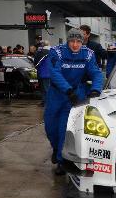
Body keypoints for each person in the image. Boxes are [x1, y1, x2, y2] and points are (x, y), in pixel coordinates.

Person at [44, 28, 103, 175]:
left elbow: (96, 73)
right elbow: (54, 73)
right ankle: (56, 149)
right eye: (72, 41)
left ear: (82, 42)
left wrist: (95, 89)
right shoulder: (56, 52)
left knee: (64, 129)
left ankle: (61, 161)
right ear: (67, 41)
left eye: (78, 41)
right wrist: (67, 90)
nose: (75, 45)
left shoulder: (88, 54)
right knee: (50, 128)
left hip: (75, 95)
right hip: (57, 94)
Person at [33, 40, 51, 106]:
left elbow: (36, 63)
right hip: (50, 73)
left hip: (43, 73)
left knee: (44, 89)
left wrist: (36, 66)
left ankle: (46, 102)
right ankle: (45, 102)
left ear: (42, 45)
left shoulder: (40, 52)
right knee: (47, 88)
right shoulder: (52, 51)